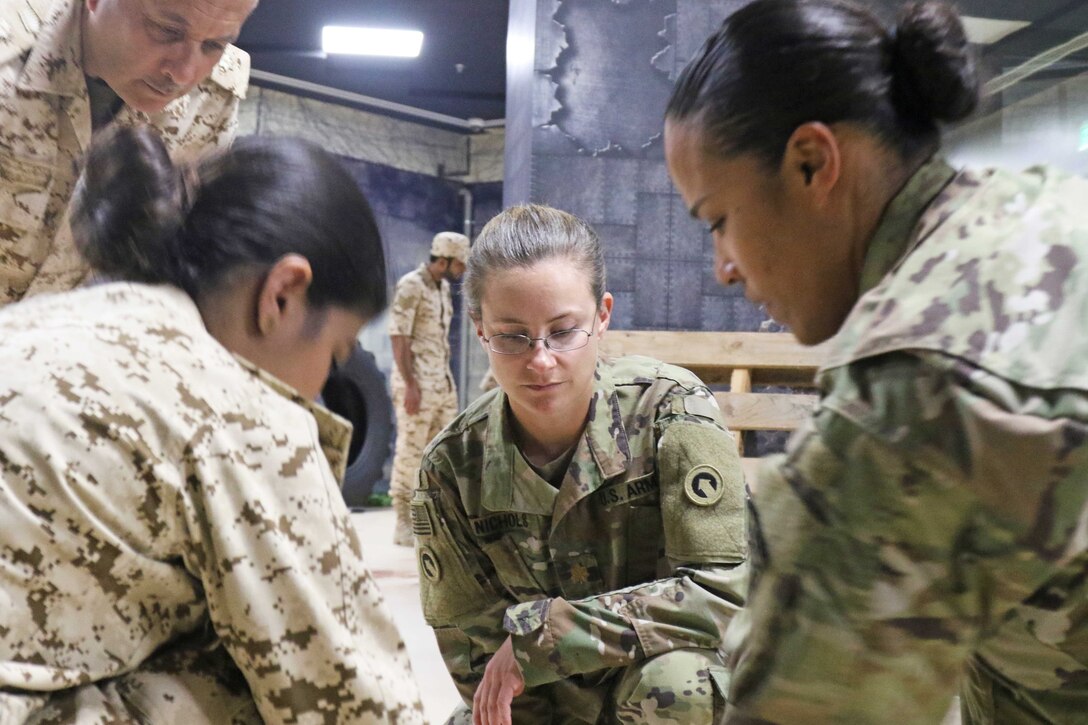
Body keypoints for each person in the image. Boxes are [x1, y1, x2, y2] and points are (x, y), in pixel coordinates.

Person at [664, 0, 1088, 722]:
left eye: (718, 221)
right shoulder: (1050, 209)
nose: (723, 269)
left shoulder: (907, 406)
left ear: (812, 163)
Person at [0, 125, 424, 723]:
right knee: (257, 657)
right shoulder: (239, 412)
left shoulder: (36, 322)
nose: (318, 389)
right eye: (334, 354)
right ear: (282, 293)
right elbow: (354, 701)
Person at [414, 204, 748, 725]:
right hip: (546, 703)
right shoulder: (452, 466)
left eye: (564, 331)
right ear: (480, 330)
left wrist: (548, 638)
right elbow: (473, 651)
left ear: (603, 316)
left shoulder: (669, 411)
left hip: (661, 687)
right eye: (512, 336)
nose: (541, 360)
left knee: (678, 687)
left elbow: (722, 595)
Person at [0, 0, 254, 305]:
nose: (184, 73)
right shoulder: (9, 46)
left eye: (214, 45)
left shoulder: (215, 95)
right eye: (166, 30)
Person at [388, 231, 469, 545]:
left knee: (441, 451)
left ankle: (432, 517)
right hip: (417, 384)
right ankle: (403, 521)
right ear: (445, 259)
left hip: (441, 383)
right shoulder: (412, 285)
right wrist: (410, 384)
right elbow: (399, 337)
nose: (462, 269)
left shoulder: (442, 288)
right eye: (459, 263)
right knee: (411, 448)